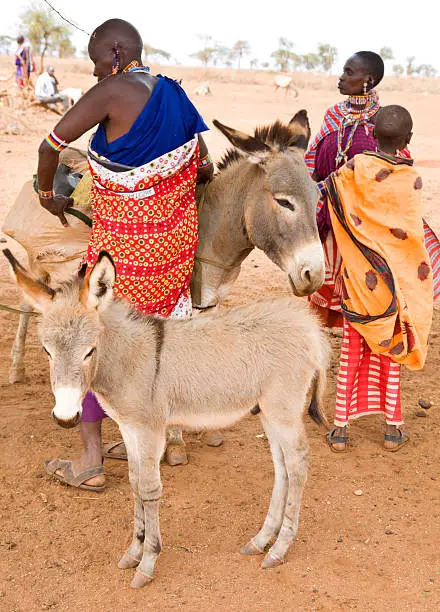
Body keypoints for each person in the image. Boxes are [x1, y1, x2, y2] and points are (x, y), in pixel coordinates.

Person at [38, 19, 213, 491]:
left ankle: (91, 460)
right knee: (162, 337)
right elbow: (205, 166)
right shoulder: (175, 94)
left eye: (96, 58)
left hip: (122, 257)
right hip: (174, 254)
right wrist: (160, 190)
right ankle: (170, 439)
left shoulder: (111, 91)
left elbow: (50, 145)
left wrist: (45, 193)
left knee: (94, 338)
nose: (94, 70)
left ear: (115, 53)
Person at [325, 105, 433, 452]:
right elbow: (409, 238)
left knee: (351, 352)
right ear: (409, 140)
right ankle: (392, 429)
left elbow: (330, 195)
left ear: (371, 133)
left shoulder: (356, 168)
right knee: (391, 351)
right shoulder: (412, 179)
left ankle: (340, 430)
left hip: (359, 280)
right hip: (394, 284)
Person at [305, 51, 440, 328]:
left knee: (367, 290)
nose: (341, 77)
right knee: (324, 287)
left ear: (368, 80)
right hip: (330, 214)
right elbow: (314, 161)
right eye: (343, 71)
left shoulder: (386, 122)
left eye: (349, 72)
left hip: (368, 224)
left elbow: (398, 174)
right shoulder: (333, 115)